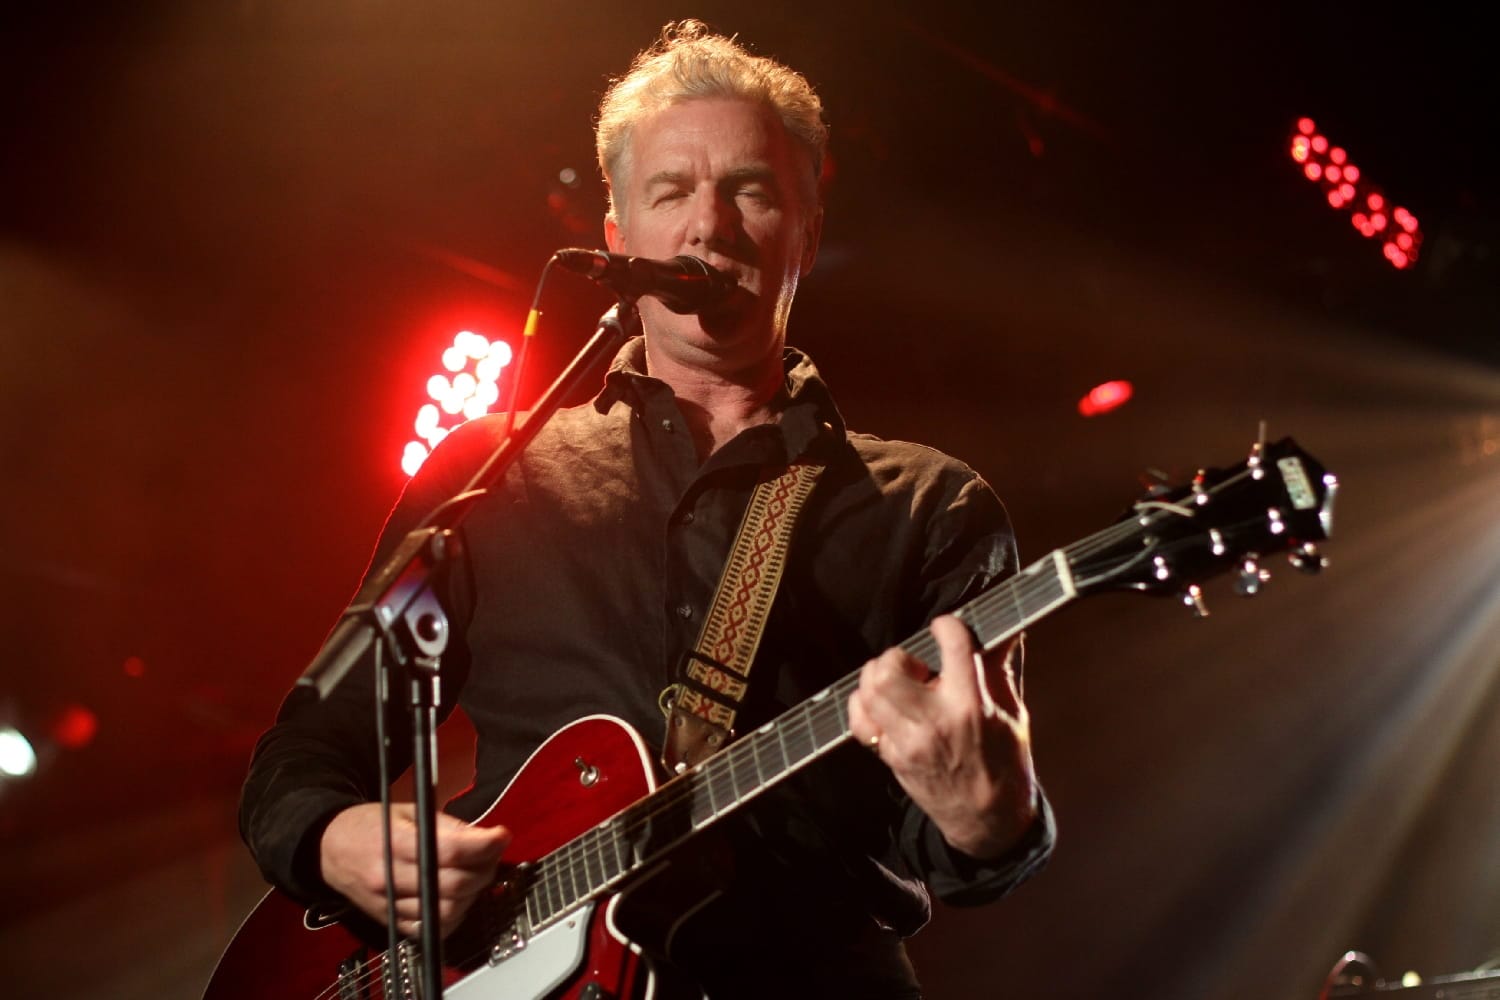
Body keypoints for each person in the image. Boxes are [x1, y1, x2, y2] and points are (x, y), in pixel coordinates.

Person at [240, 20, 1053, 997]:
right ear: (618, 236)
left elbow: (966, 839)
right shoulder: (495, 472)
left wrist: (991, 812)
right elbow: (307, 749)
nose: (708, 225)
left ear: (807, 229)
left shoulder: (927, 505)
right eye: (671, 192)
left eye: (750, 189)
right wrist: (335, 839)